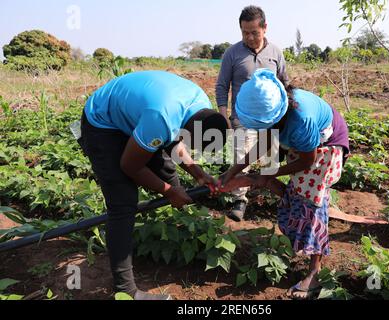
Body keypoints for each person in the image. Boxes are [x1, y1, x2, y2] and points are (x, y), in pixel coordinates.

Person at [80, 70, 228, 300]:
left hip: (141, 114)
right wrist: (168, 192)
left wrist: (199, 174)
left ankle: (182, 226)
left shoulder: (201, 107)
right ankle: (125, 291)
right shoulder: (161, 118)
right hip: (103, 124)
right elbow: (130, 166)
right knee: (123, 203)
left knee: (166, 169)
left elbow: (176, 144)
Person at [219, 69, 350, 299]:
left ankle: (315, 272)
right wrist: (234, 170)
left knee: (312, 202)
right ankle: (293, 221)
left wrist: (269, 174)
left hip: (326, 146)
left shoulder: (301, 120)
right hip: (305, 146)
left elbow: (308, 161)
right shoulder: (275, 113)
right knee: (298, 190)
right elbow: (264, 143)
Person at [215, 5, 288, 222]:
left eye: (254, 32)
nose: (249, 37)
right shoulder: (232, 53)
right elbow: (222, 85)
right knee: (240, 157)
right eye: (245, 32)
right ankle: (240, 199)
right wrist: (223, 114)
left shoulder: (275, 53)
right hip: (241, 117)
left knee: (271, 156)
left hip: (270, 118)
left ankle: (272, 194)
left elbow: (284, 83)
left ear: (265, 28)